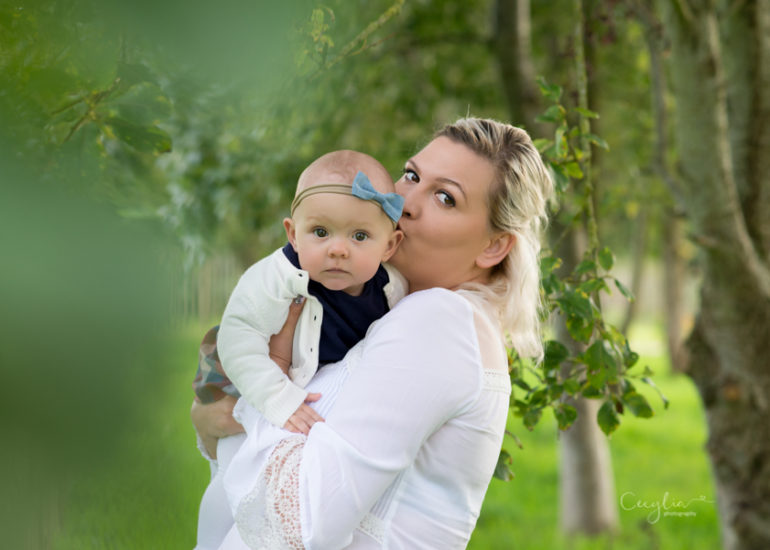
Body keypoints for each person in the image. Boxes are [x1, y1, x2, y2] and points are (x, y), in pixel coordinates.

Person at [191, 117, 553, 549]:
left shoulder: (441, 320)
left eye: (445, 197)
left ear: (493, 247)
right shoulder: (383, 311)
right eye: (411, 175)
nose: (406, 203)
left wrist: (257, 399)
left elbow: (300, 523)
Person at [192, 150, 407, 549]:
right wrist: (278, 399)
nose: (338, 249)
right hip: (250, 388)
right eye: (320, 233)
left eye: (360, 236)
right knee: (234, 481)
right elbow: (238, 338)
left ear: (390, 245)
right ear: (293, 233)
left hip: (307, 404)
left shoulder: (393, 289)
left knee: (272, 497)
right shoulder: (276, 277)